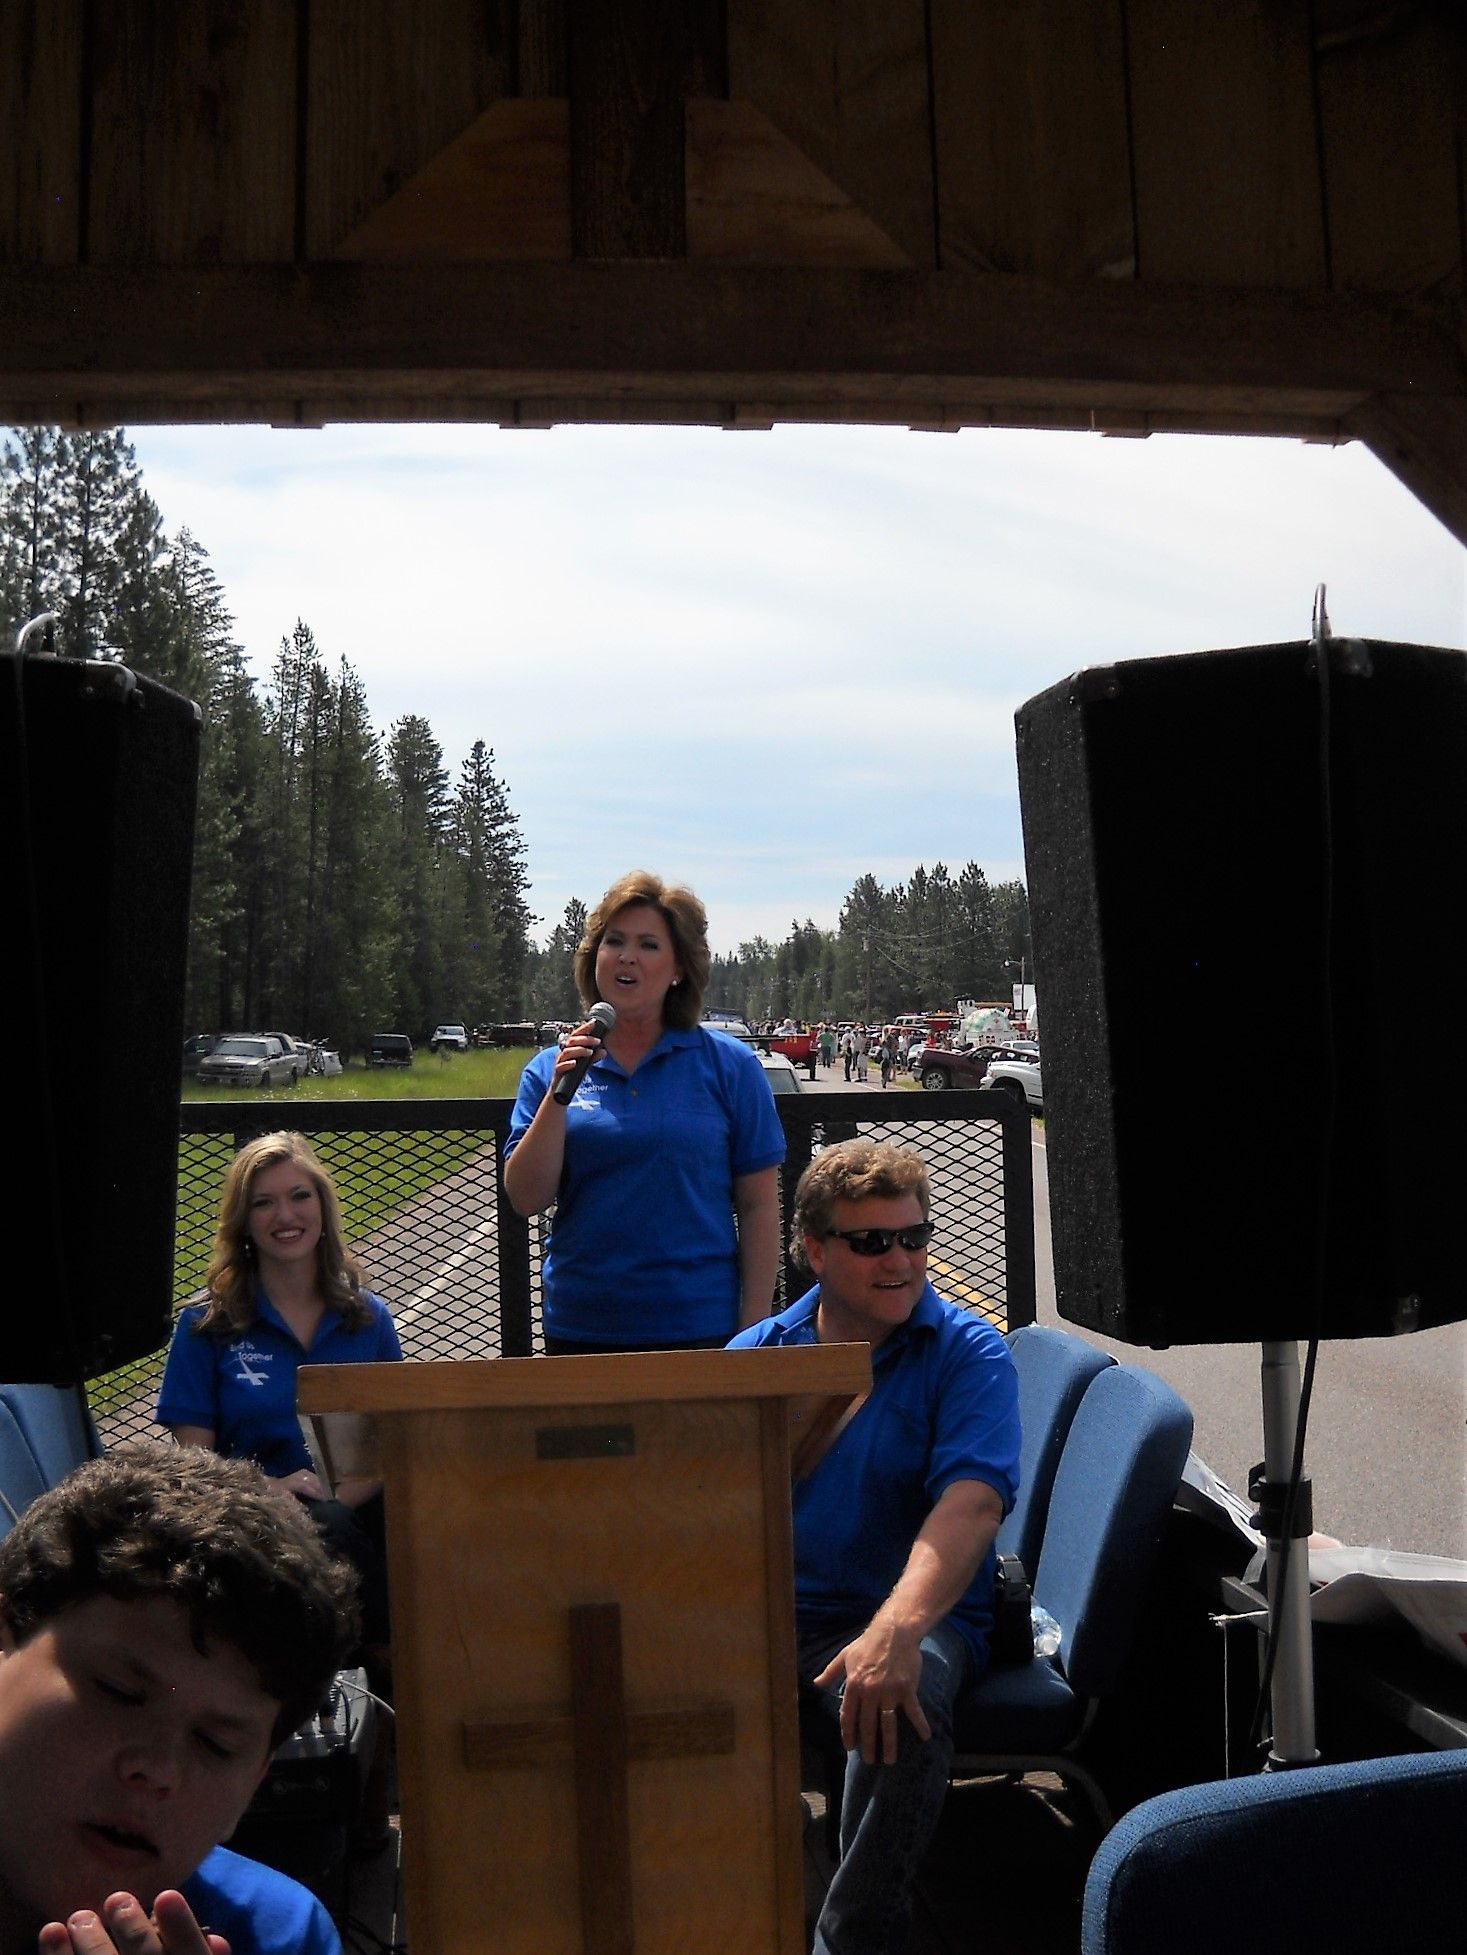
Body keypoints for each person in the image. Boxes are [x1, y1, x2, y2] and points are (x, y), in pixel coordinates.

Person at [729, 1139, 1020, 1955]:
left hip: (910, 1616)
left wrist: (895, 1630)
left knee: (902, 1692)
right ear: (814, 1250)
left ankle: (851, 1938)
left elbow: (971, 1502)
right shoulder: (758, 1361)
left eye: (913, 1237)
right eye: (870, 1242)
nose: (898, 1259)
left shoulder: (967, 1353)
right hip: (774, 1617)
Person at [0, 1442, 358, 1955]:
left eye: (215, 1744)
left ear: (255, 1781)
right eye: (117, 1692)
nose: (158, 1768)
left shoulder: (279, 1935)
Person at [504, 869, 786, 1352]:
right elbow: (526, 1197)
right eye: (614, 941)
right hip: (582, 1329)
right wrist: (558, 1095)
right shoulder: (549, 1070)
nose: (627, 956)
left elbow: (759, 1206)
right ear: (594, 958)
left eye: (649, 944)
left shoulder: (730, 1067)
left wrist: (752, 1328)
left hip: (702, 1328)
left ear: (679, 969)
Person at [155, 1132, 402, 1649]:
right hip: (247, 1517)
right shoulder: (206, 1325)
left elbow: (390, 1446)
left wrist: (328, 1497)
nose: (284, 1215)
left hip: (351, 1509)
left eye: (299, 1196)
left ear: (322, 1207)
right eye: (263, 1203)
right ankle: (389, 1660)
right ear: (243, 1223)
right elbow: (194, 1462)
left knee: (344, 1525)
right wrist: (270, 1492)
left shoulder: (368, 1318)